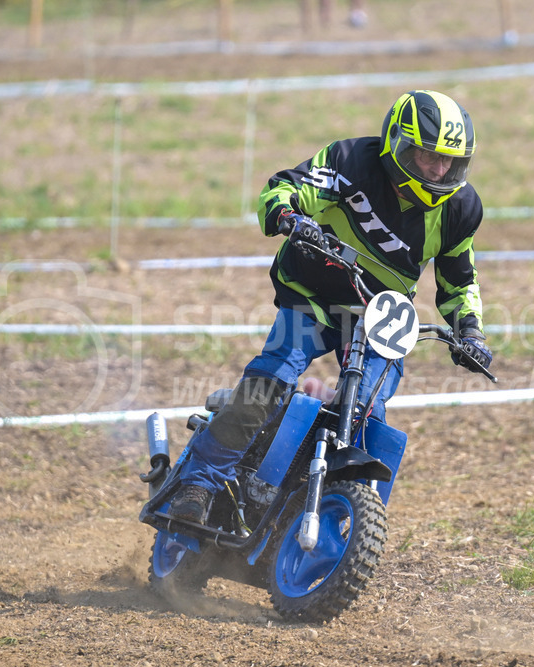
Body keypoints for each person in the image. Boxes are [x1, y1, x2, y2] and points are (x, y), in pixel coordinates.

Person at [169, 90, 493, 524]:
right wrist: (289, 217)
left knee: (368, 413)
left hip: (380, 315)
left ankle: (338, 513)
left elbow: (460, 281)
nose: (439, 171)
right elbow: (285, 187)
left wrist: (470, 332)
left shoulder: (461, 209)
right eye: (428, 156)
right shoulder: (349, 160)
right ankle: (198, 484)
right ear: (398, 144)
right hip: (313, 294)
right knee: (271, 379)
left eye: (450, 162)